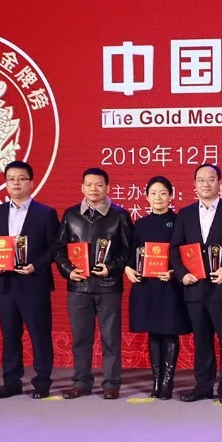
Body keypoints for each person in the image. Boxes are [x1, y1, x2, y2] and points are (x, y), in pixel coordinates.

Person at [0, 161, 60, 399]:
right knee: (10, 335)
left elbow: (55, 247)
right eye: (11, 179)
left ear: (31, 183)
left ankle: (42, 382)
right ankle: (11, 382)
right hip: (5, 283)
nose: (16, 183)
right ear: (6, 183)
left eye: (21, 178)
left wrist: (36, 265)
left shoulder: (45, 213)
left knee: (39, 335)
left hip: (34, 282)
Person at [169, 163, 222, 404]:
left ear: (219, 183)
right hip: (194, 288)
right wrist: (182, 274)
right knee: (201, 341)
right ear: (194, 185)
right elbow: (175, 249)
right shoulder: (185, 214)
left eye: (211, 179)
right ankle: (203, 386)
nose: (206, 184)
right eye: (201, 180)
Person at [55, 168, 134, 399]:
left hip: (109, 286)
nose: (94, 189)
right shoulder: (71, 215)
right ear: (82, 187)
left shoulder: (120, 215)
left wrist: (111, 268)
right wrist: (69, 271)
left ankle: (111, 384)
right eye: (89, 184)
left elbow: (129, 251)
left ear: (107, 187)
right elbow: (58, 249)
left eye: (99, 184)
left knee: (110, 339)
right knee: (81, 339)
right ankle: (81, 383)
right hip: (79, 287)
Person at [125, 175, 191, 400]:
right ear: (146, 197)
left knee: (169, 331)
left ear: (171, 196)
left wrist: (175, 273)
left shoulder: (180, 221)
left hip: (170, 285)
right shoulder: (141, 224)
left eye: (163, 193)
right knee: (153, 331)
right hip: (147, 286)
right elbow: (133, 253)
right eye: (153, 193)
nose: (158, 197)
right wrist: (129, 269)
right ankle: (156, 380)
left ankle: (167, 382)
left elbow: (186, 253)